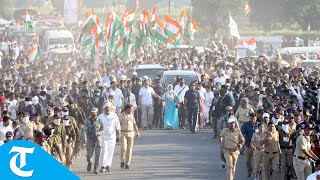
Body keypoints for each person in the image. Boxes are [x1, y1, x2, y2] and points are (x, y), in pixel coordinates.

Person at [98, 102, 121, 173]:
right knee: (104, 151)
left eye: (108, 108)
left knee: (110, 151)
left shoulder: (114, 115)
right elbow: (97, 126)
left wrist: (118, 134)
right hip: (103, 137)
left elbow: (117, 125)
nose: (107, 109)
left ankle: (108, 165)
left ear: (110, 108)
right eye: (106, 108)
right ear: (104, 109)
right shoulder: (100, 116)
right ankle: (103, 166)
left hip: (112, 137)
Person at [119, 104, 140, 169]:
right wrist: (118, 133)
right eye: (130, 109)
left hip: (131, 133)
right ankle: (122, 161)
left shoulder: (131, 116)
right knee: (124, 148)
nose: (131, 110)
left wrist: (137, 132)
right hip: (123, 132)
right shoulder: (121, 116)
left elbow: (135, 124)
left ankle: (127, 163)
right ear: (126, 109)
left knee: (129, 149)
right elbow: (118, 125)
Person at [84, 107, 104, 174]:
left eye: (94, 112)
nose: (93, 113)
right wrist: (85, 138)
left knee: (98, 154)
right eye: (92, 112)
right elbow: (85, 130)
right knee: (89, 155)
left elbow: (103, 130)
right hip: (90, 139)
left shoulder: (100, 121)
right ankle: (90, 162)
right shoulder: (87, 120)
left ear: (97, 113)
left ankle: (96, 168)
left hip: (98, 140)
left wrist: (99, 133)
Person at [241, 112, 258, 178]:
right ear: (249, 118)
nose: (253, 119)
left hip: (257, 146)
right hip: (248, 145)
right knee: (248, 161)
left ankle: (256, 174)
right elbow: (242, 133)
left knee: (256, 161)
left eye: (254, 118)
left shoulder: (258, 125)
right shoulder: (245, 124)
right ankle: (249, 171)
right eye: (252, 118)